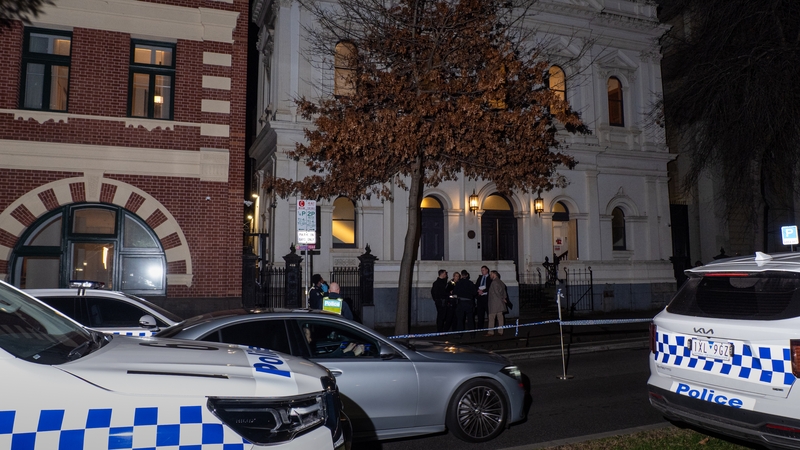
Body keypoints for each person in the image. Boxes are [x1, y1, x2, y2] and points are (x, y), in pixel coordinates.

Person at [453, 269, 477, 338]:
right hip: (469, 303)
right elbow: (474, 293)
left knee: (460, 319)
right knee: (470, 319)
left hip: (460, 303)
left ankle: (460, 334)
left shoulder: (458, 283)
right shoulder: (470, 283)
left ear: (461, 275)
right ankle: (472, 334)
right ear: (467, 275)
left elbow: (455, 292)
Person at [485, 270, 508, 336]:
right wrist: (504, 298)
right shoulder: (501, 282)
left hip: (494, 303)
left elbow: (496, 293)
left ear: (494, 274)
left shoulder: (494, 283)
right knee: (500, 318)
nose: (490, 275)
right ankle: (500, 331)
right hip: (500, 303)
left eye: (491, 274)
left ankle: (490, 331)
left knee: (492, 317)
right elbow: (504, 292)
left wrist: (502, 298)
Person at [475, 265, 492, 331]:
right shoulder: (480, 277)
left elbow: (489, 287)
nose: (482, 272)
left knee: (488, 312)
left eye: (483, 270)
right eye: (481, 270)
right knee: (480, 312)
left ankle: (490, 326)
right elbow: (476, 285)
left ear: (487, 270)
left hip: (486, 296)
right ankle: (480, 327)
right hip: (480, 297)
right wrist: (478, 291)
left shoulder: (489, 278)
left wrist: (483, 291)